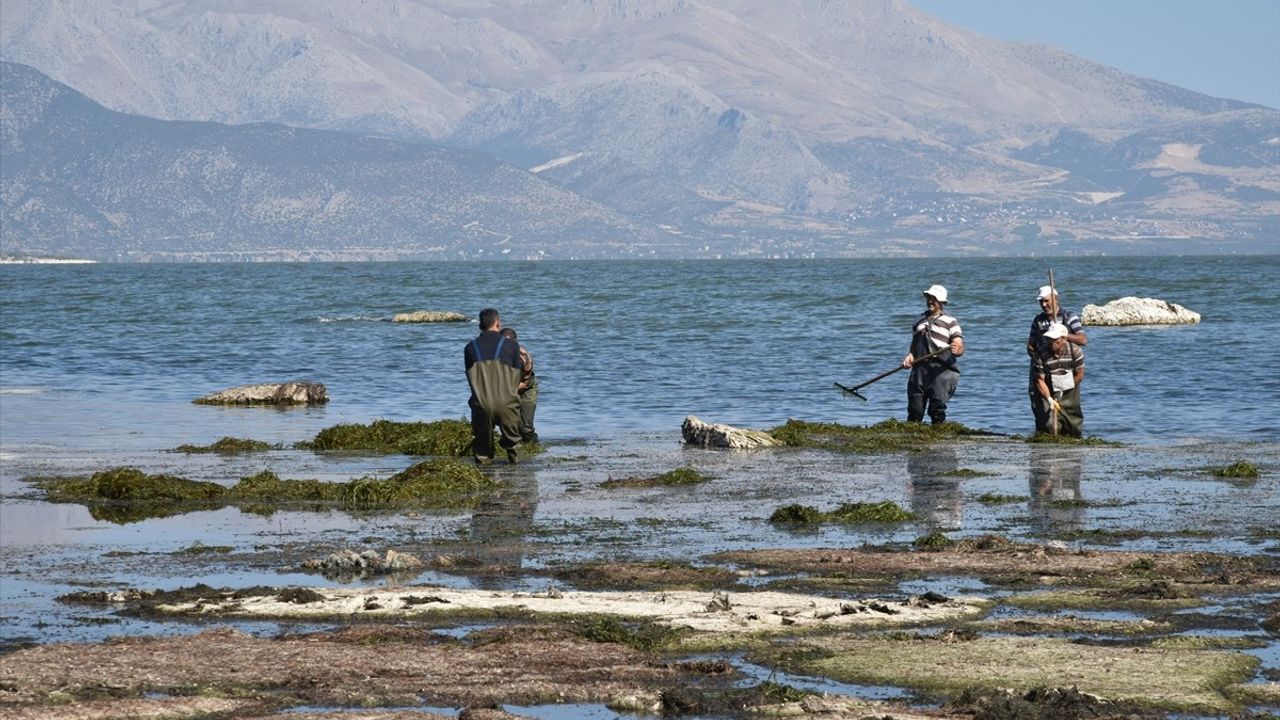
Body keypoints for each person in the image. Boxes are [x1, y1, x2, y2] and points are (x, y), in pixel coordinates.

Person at [464, 308, 523, 464]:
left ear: (480, 326)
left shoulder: (470, 347)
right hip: (507, 405)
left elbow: (471, 380)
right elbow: (516, 377)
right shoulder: (512, 345)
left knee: (482, 447)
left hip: (481, 405)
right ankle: (513, 453)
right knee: (513, 441)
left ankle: (484, 459)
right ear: (498, 323)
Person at [902, 284, 964, 424]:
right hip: (919, 368)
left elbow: (959, 344)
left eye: (934, 299)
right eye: (929, 298)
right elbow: (914, 344)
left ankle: (938, 438)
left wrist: (957, 350)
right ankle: (912, 438)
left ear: (941, 302)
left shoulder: (950, 321)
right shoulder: (918, 320)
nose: (930, 301)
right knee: (915, 409)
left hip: (941, 370)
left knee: (936, 408)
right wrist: (910, 356)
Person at [1027, 284, 1086, 421]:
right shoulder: (1038, 320)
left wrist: (1061, 332)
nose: (1044, 304)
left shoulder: (1069, 316)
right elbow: (1030, 345)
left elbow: (1083, 340)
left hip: (1065, 368)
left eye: (1047, 301)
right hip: (1044, 367)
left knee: (1068, 407)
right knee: (1041, 405)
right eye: (1041, 302)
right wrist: (1038, 358)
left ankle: (1070, 433)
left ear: (1056, 299)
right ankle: (1044, 432)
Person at [1031, 322, 1085, 436]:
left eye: (1055, 340)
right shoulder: (1040, 354)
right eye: (1049, 339)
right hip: (1047, 388)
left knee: (1074, 426)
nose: (1051, 343)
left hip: (1070, 386)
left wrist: (1063, 388)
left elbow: (1080, 375)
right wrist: (1049, 398)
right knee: (1049, 425)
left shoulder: (1075, 351)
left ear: (1064, 339)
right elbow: (1039, 380)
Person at [499, 327, 539, 444]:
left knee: (526, 428)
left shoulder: (524, 357)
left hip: (526, 389)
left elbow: (525, 383)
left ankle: (533, 447)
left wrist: (507, 390)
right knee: (510, 426)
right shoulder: (495, 356)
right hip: (508, 388)